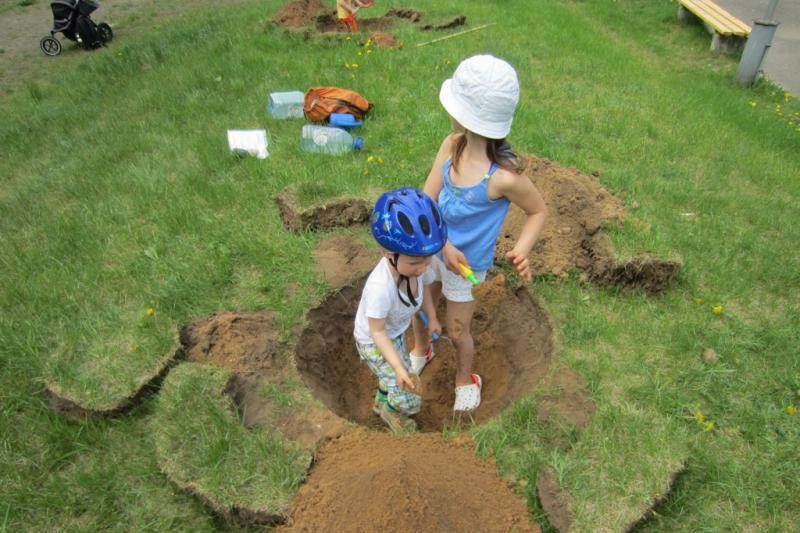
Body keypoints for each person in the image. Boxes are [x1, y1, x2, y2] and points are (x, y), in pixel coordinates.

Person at [412, 54, 548, 412]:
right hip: (431, 249)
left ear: (465, 113)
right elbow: (427, 199)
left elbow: (537, 210)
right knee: (419, 305)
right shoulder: (451, 145)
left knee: (457, 331)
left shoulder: (503, 178)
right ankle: (420, 348)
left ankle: (464, 377)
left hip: (465, 266)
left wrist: (521, 249)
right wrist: (439, 244)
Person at [353, 187, 447, 433]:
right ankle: (393, 413)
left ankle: (381, 402)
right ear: (388, 254)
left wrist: (433, 318)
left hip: (393, 333)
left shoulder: (417, 266)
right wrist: (398, 369)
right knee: (407, 390)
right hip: (375, 340)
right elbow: (378, 332)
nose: (423, 267)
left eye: (427, 260)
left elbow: (424, 288)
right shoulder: (380, 289)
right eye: (415, 263)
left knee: (396, 373)